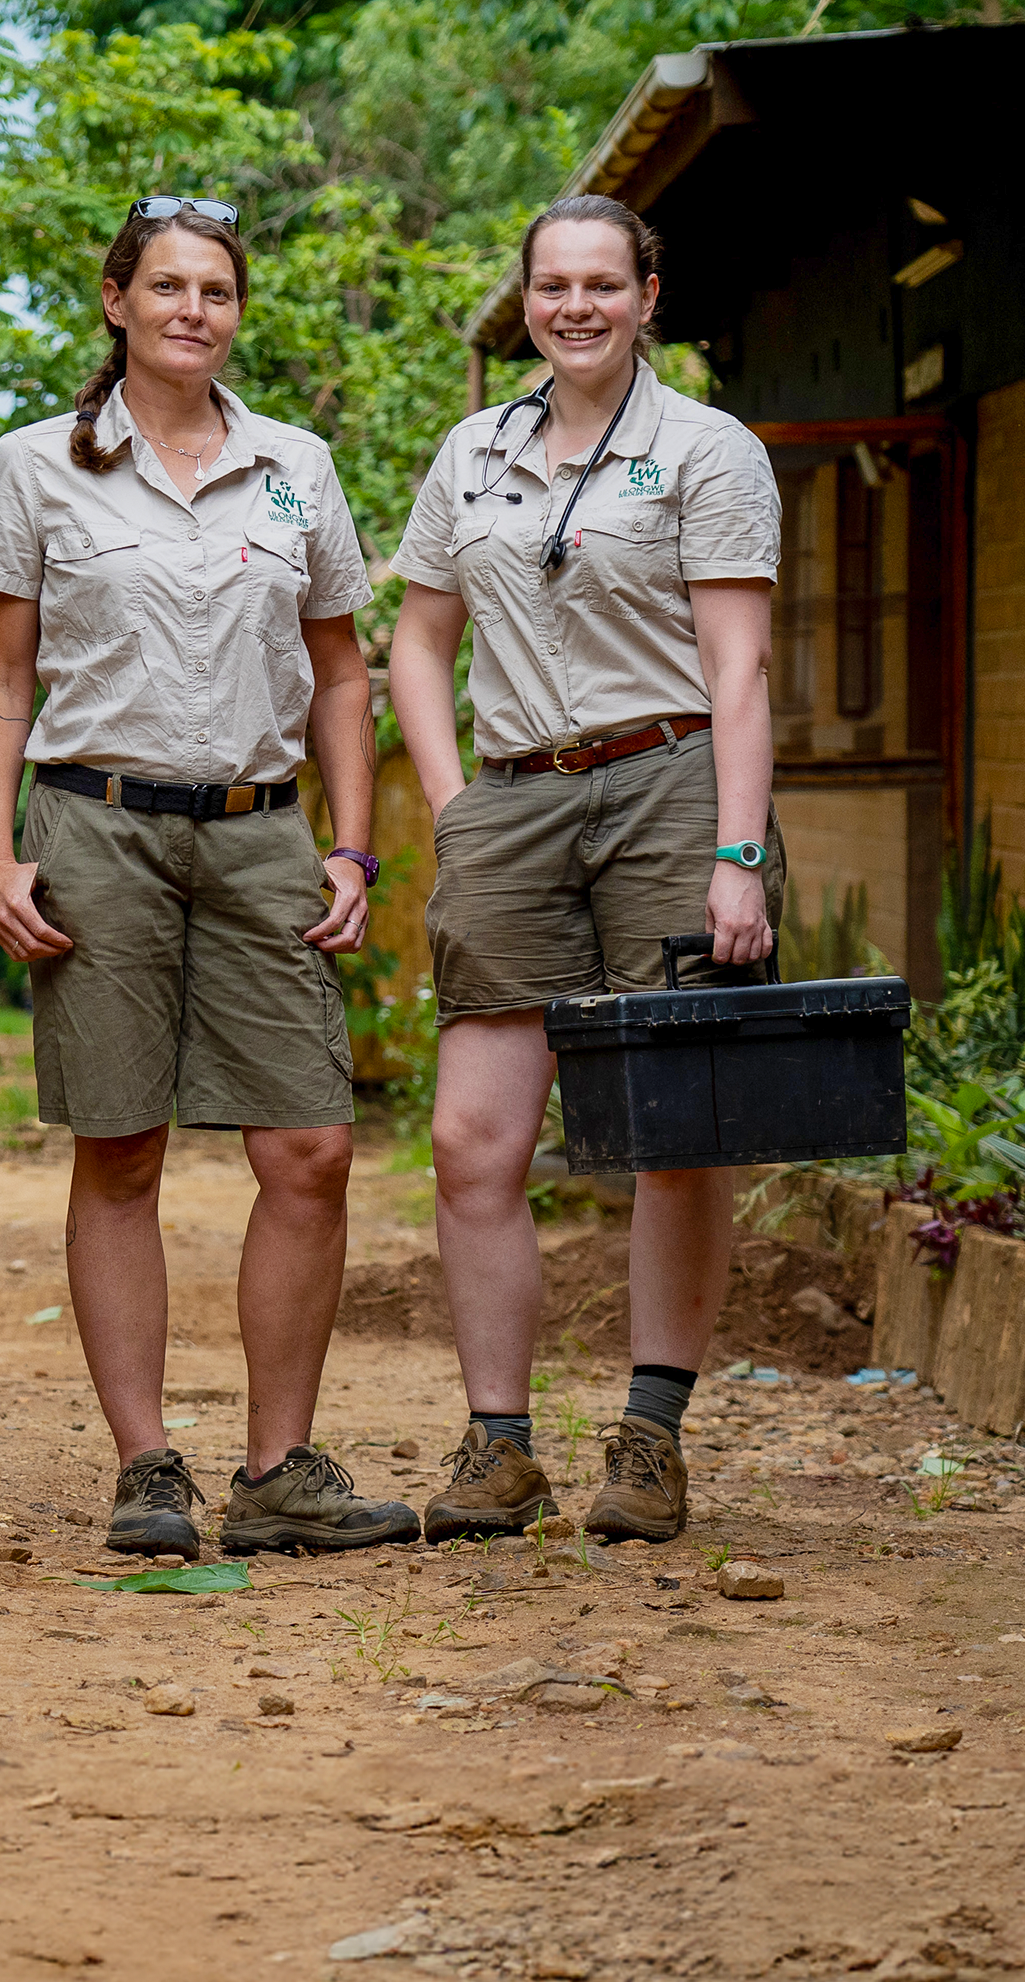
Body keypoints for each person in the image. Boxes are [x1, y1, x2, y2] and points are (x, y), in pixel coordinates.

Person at [0, 196, 419, 1559]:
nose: (192, 309)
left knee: (311, 1148)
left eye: (215, 289)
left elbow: (343, 668)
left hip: (263, 828)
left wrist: (348, 842)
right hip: (95, 825)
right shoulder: (39, 465)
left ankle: (279, 1469)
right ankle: (148, 1464)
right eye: (166, 285)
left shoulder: (298, 468)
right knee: (120, 1146)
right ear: (117, 301)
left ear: (235, 312)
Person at [383, 195, 783, 1544]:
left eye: (602, 284)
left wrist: (737, 853)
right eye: (552, 286)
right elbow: (420, 642)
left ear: (648, 296)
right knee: (472, 1138)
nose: (576, 307)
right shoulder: (472, 451)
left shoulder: (707, 452)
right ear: (527, 303)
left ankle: (651, 1439)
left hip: (672, 788)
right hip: (514, 799)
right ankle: (500, 1449)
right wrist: (453, 807)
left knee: (678, 1136)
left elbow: (738, 666)